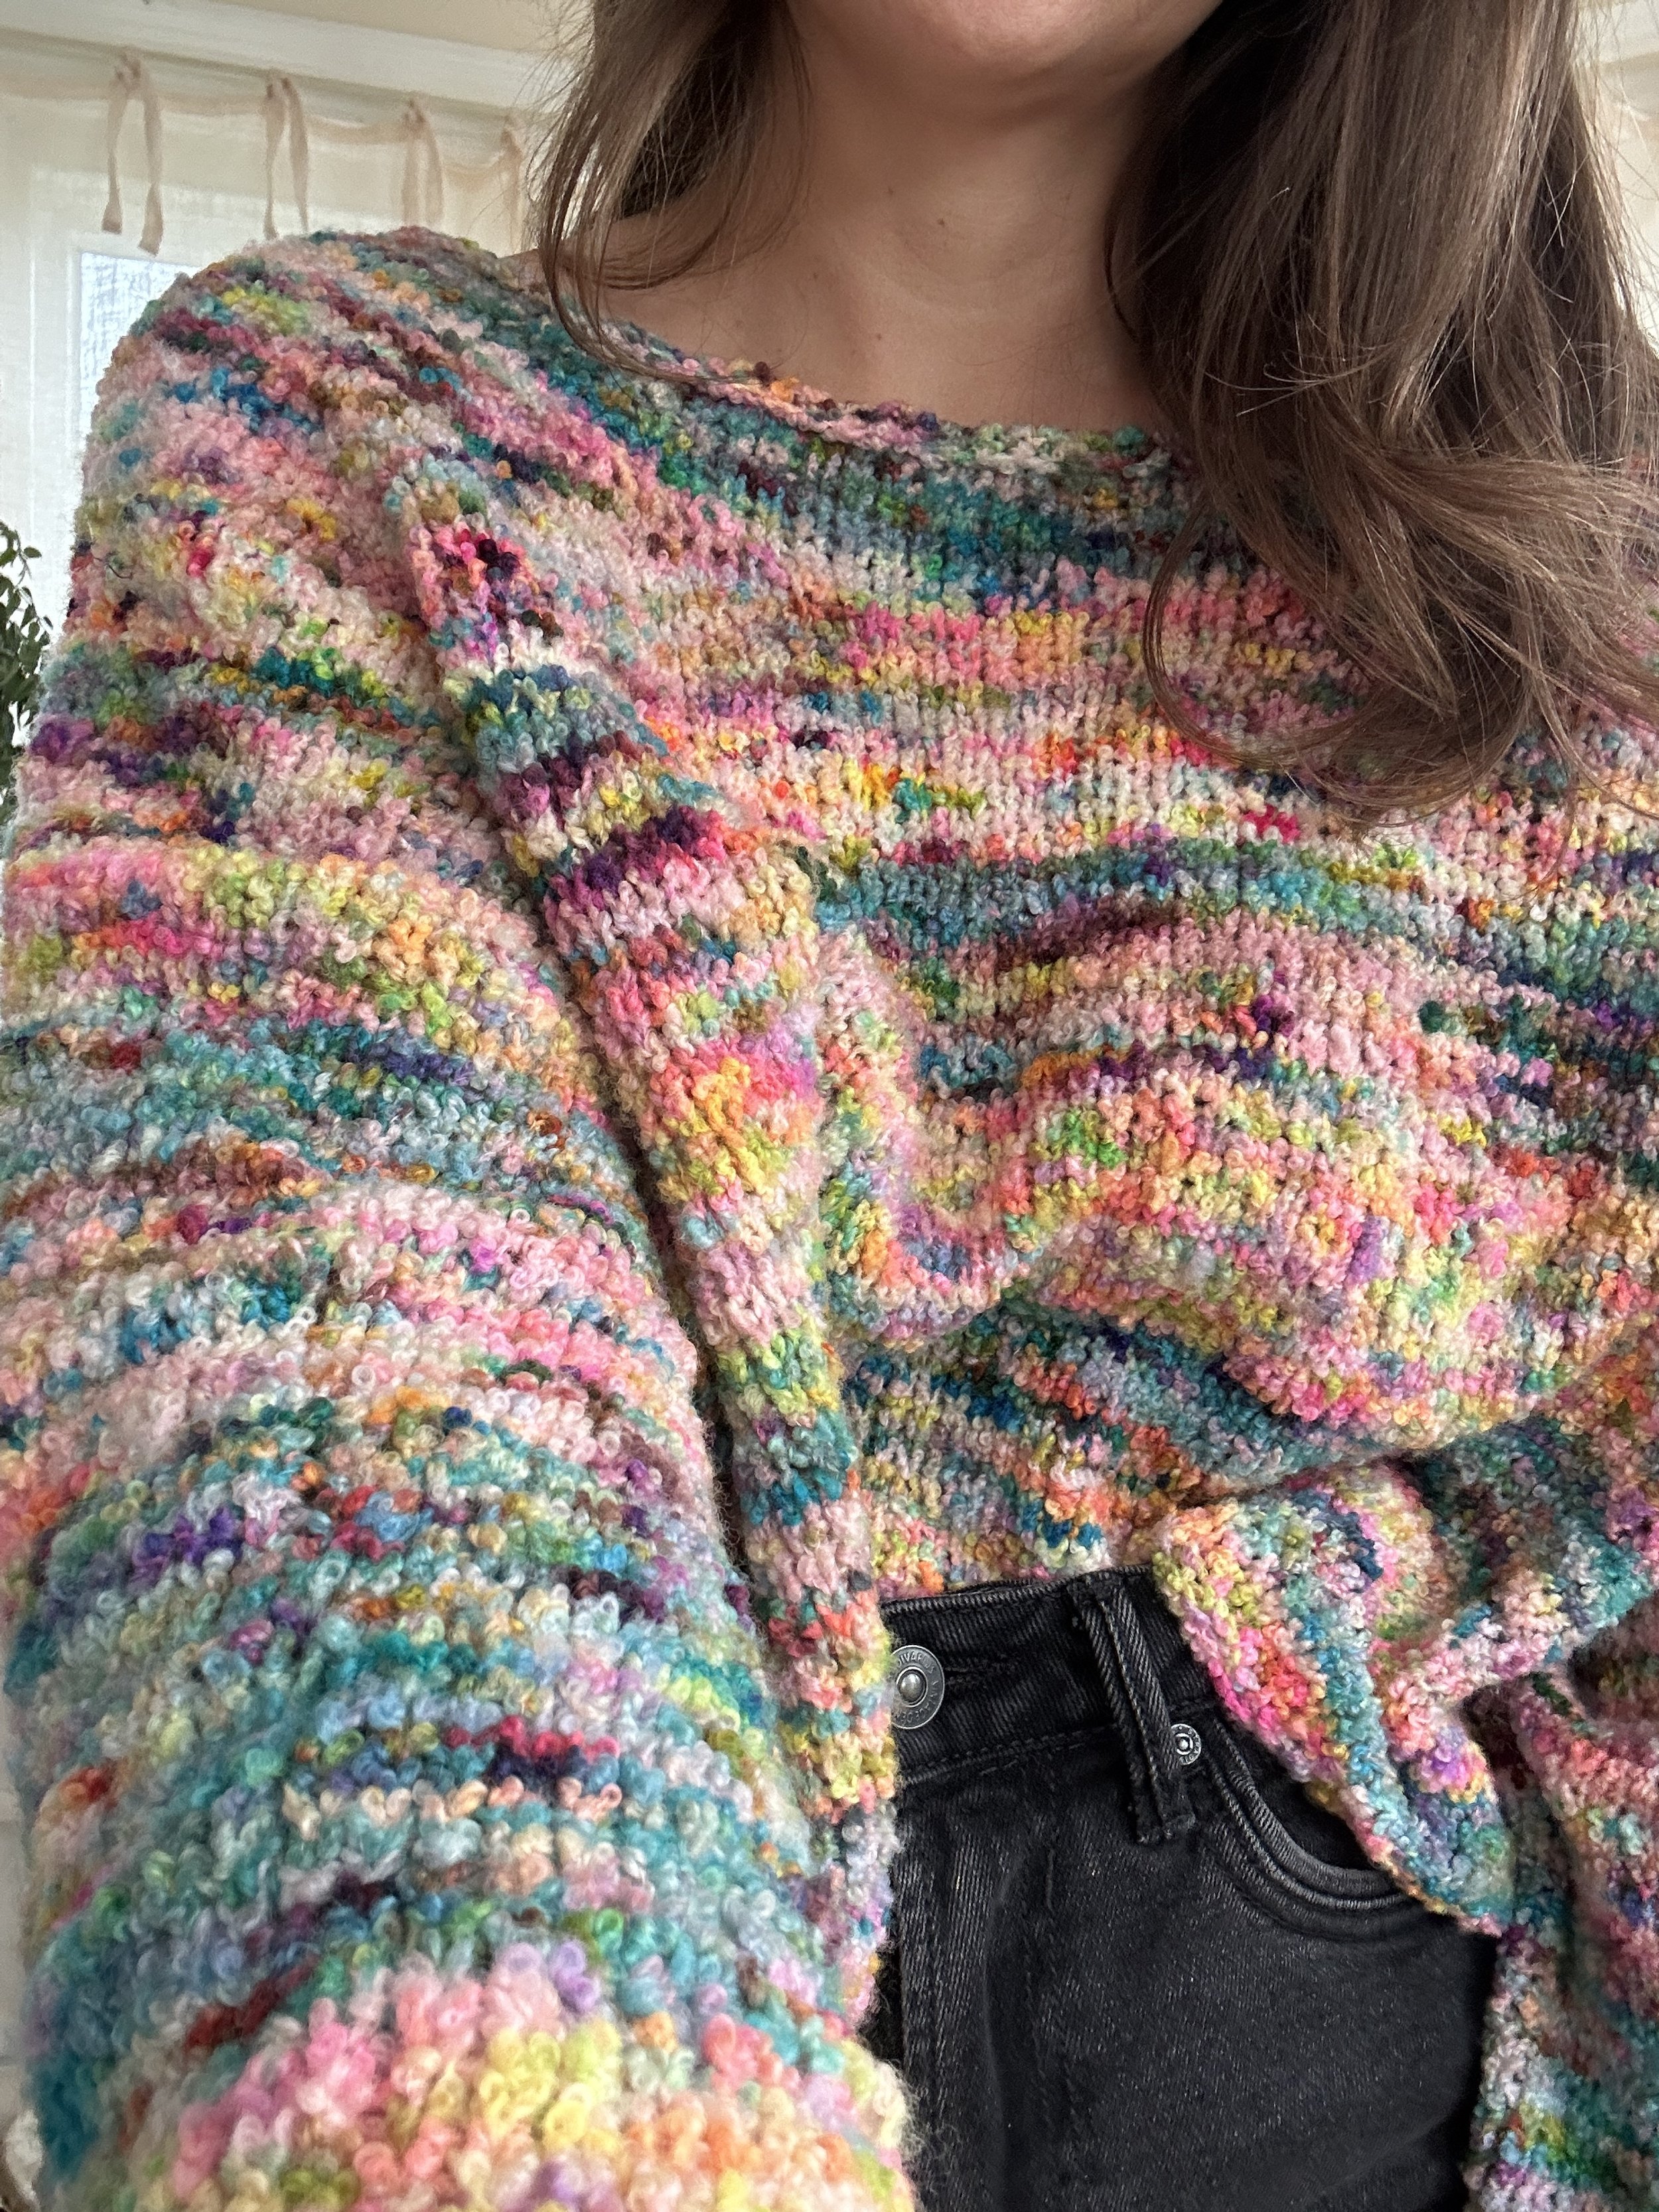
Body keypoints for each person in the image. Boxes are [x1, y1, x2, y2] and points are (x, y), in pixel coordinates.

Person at [6, 0, 1659, 2205]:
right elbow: (316, 1373)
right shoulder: (336, 418)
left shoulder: (1597, 580)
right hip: (538, 1896)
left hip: (1366, 2017)